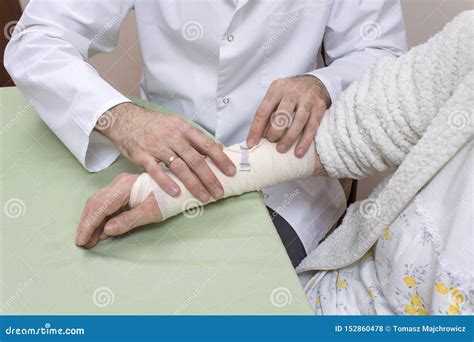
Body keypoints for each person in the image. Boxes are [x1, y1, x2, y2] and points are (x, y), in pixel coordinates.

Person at [76, 11, 473, 315]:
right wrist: (160, 190)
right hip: (342, 297)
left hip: (298, 208)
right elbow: (362, 126)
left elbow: (376, 50)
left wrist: (324, 84)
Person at [4, 0, 407, 265]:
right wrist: (120, 118)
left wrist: (323, 85)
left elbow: (383, 57)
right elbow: (37, 39)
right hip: (153, 163)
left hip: (283, 184)